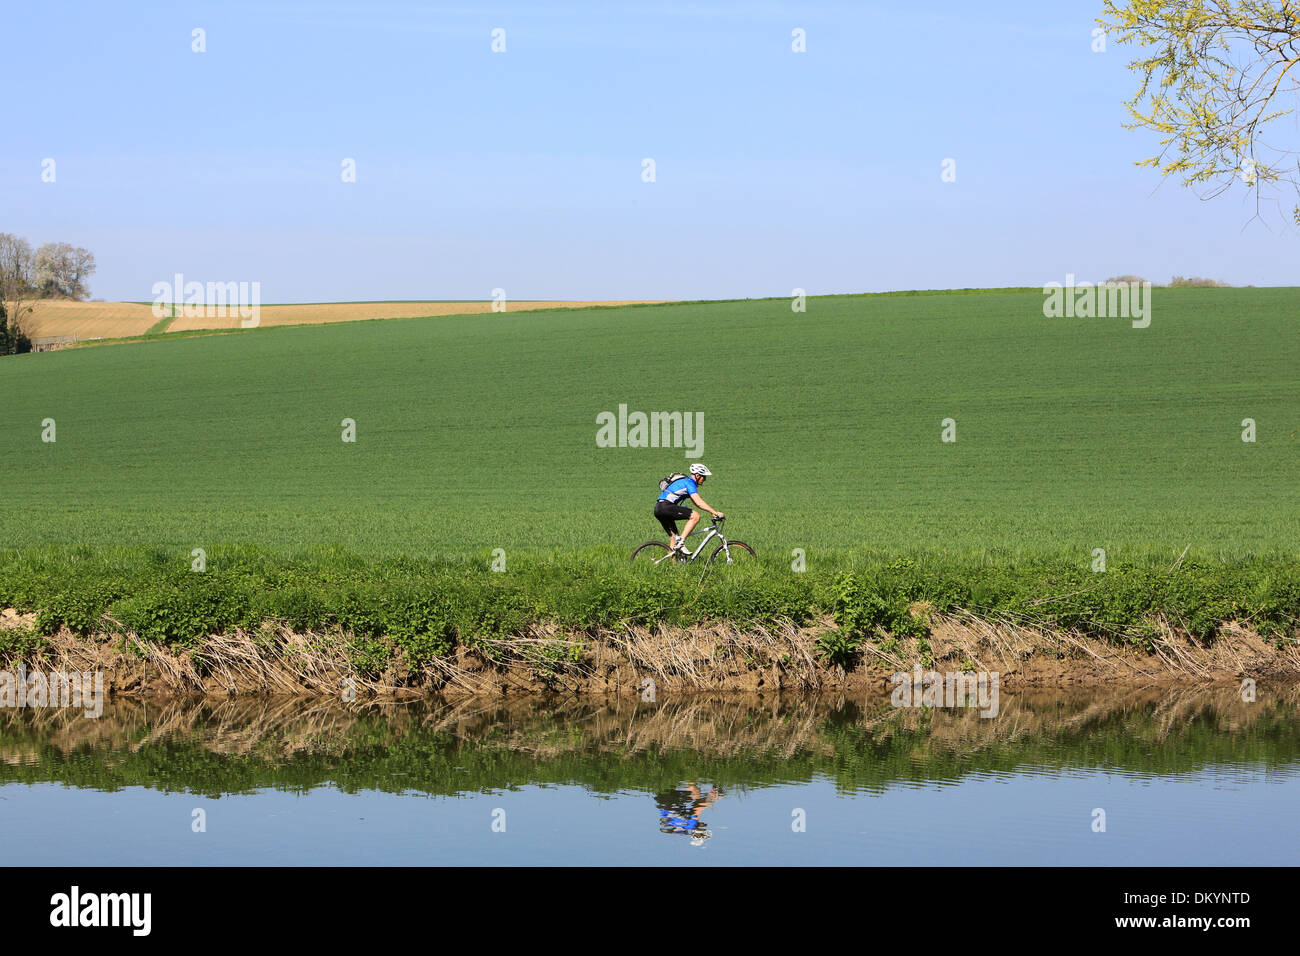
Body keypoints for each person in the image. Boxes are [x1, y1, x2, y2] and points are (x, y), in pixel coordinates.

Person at [654, 463, 724, 556]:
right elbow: (698, 502)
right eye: (704, 477)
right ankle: (681, 543)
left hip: (658, 509)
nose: (705, 480)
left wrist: (711, 512)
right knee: (695, 516)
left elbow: (696, 502)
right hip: (666, 507)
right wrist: (715, 512)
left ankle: (673, 565)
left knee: (674, 539)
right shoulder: (689, 483)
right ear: (698, 476)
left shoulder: (685, 482)